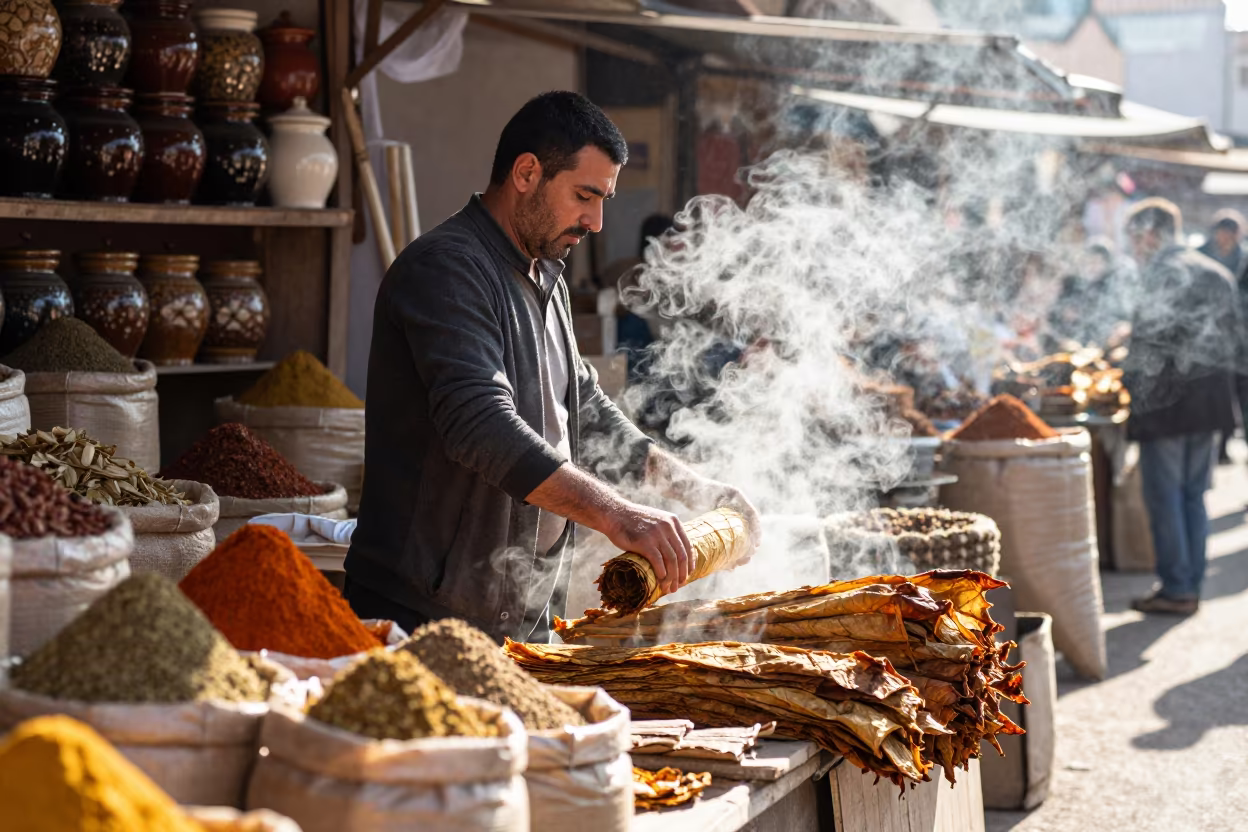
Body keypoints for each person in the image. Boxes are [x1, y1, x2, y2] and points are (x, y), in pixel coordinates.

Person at [345, 92, 760, 641]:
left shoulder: (546, 273)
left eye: (604, 198)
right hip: (423, 614)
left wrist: (693, 487)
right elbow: (479, 424)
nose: (595, 220)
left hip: (520, 611)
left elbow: (584, 407)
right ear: (526, 172)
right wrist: (618, 515)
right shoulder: (447, 268)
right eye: (585, 195)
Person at [1122, 198, 1239, 615]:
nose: (1134, 247)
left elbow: (1149, 349)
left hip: (1168, 405)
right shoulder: (1218, 272)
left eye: (1135, 237)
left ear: (1151, 234)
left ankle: (1177, 587)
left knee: (1167, 496)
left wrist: (1128, 379)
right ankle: (1188, 583)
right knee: (1192, 496)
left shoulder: (1162, 272)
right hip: (1209, 404)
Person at [1197, 210, 1247, 276]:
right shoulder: (1200, 255)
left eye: (1232, 232)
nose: (1227, 236)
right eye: (1224, 232)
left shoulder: (1245, 260)